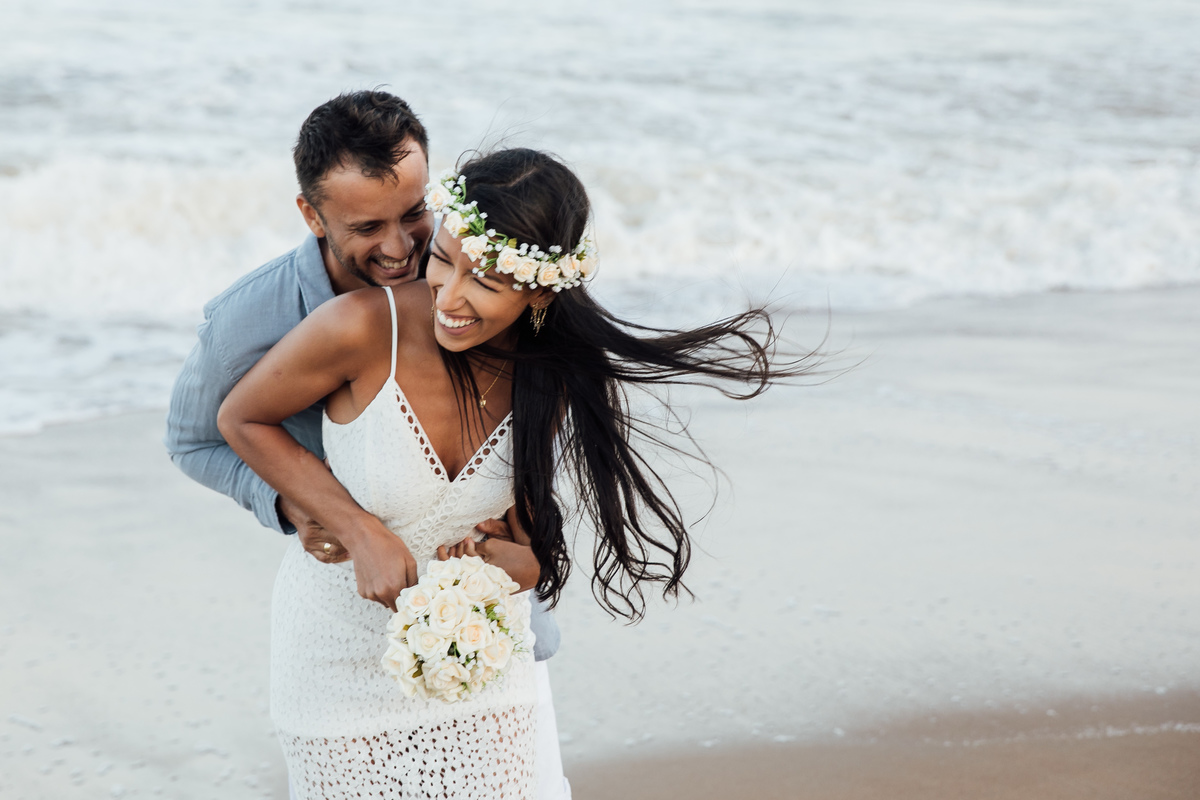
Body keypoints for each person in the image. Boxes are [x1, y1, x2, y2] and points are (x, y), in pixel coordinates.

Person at [216, 147, 815, 799]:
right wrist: (359, 530)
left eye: (486, 284)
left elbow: (528, 552)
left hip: (482, 657)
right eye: (443, 260)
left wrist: (516, 564)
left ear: (537, 291)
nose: (450, 296)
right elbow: (242, 420)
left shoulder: (548, 372)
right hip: (336, 657)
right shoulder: (362, 327)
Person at [163, 91, 565, 796]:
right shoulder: (246, 322)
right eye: (366, 225)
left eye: (414, 213)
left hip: (482, 631)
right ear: (311, 215)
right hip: (344, 637)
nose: (401, 247)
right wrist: (303, 511)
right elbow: (195, 442)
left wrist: (533, 549)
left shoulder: (476, 274)